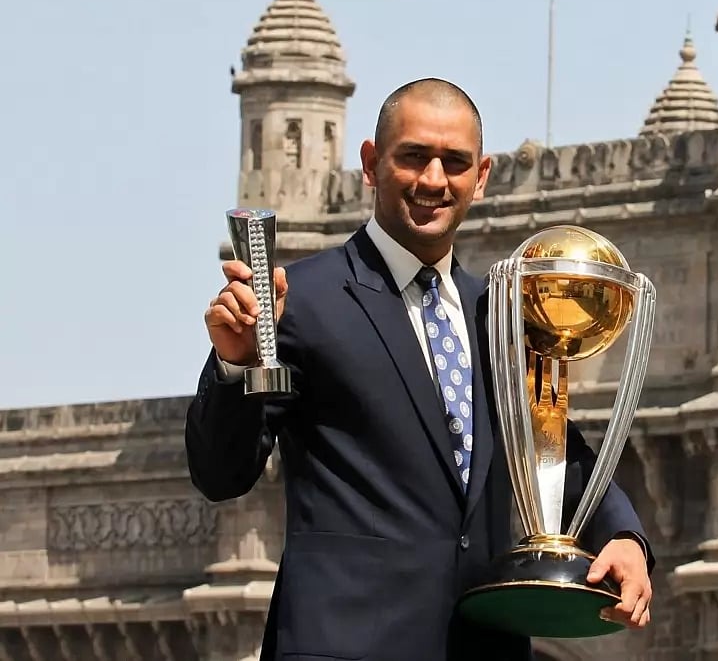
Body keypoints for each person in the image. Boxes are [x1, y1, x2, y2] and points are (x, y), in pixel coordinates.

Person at [185, 77, 654, 661]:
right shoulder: (304, 301)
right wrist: (235, 363)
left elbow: (552, 444)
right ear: (371, 163)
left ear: (480, 177)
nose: (434, 180)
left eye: (454, 162)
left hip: (483, 647)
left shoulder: (502, 315)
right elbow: (221, 472)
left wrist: (623, 536)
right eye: (413, 157)